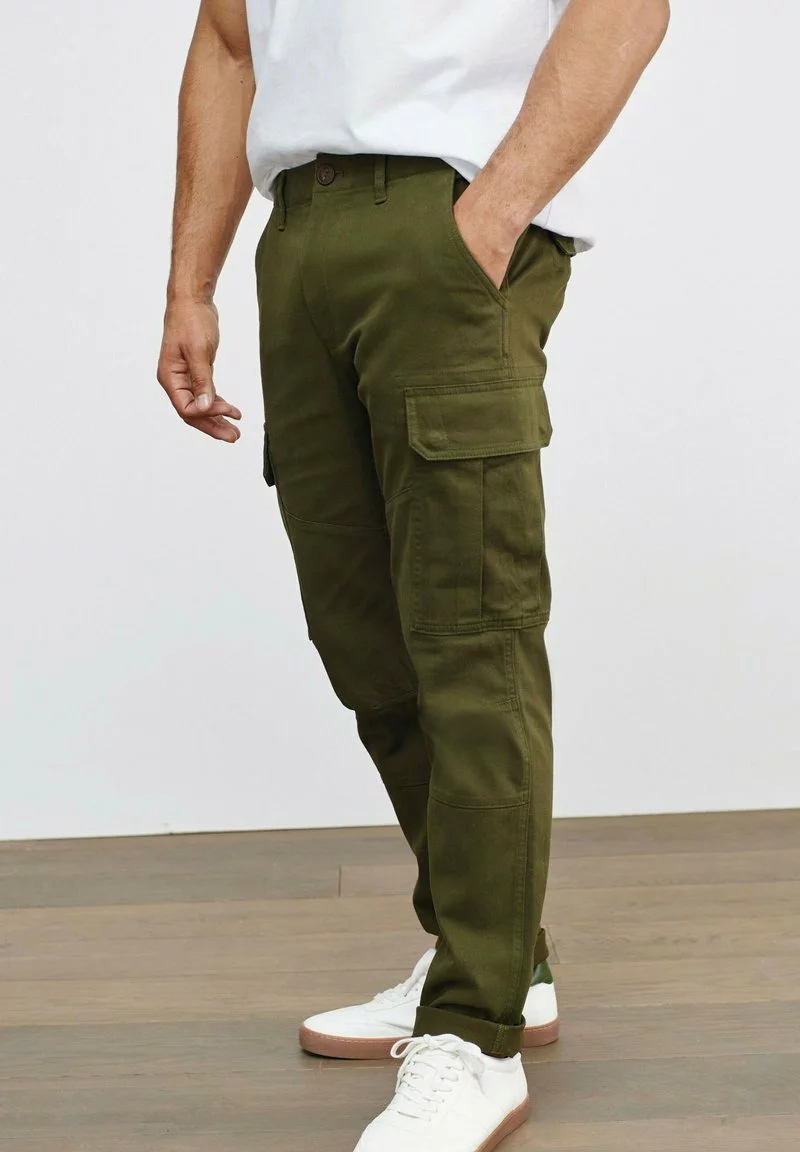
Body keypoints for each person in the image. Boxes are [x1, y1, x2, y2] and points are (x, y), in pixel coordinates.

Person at [157, 1, 670, 1148]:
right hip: (298, 229)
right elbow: (229, 40)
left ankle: (475, 1033)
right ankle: (499, 958)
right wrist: (191, 282)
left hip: (444, 214)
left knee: (470, 638)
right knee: (366, 639)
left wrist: (491, 212)